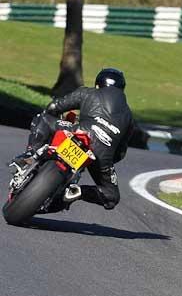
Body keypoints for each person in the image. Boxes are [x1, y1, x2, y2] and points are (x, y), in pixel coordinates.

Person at [11, 68, 134, 210]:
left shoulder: (88, 92)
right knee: (111, 196)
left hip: (78, 131)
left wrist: (56, 117)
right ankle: (77, 192)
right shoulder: (129, 117)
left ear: (98, 84)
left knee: (43, 118)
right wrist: (103, 161)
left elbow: (53, 107)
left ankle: (30, 155)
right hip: (102, 155)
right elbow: (120, 153)